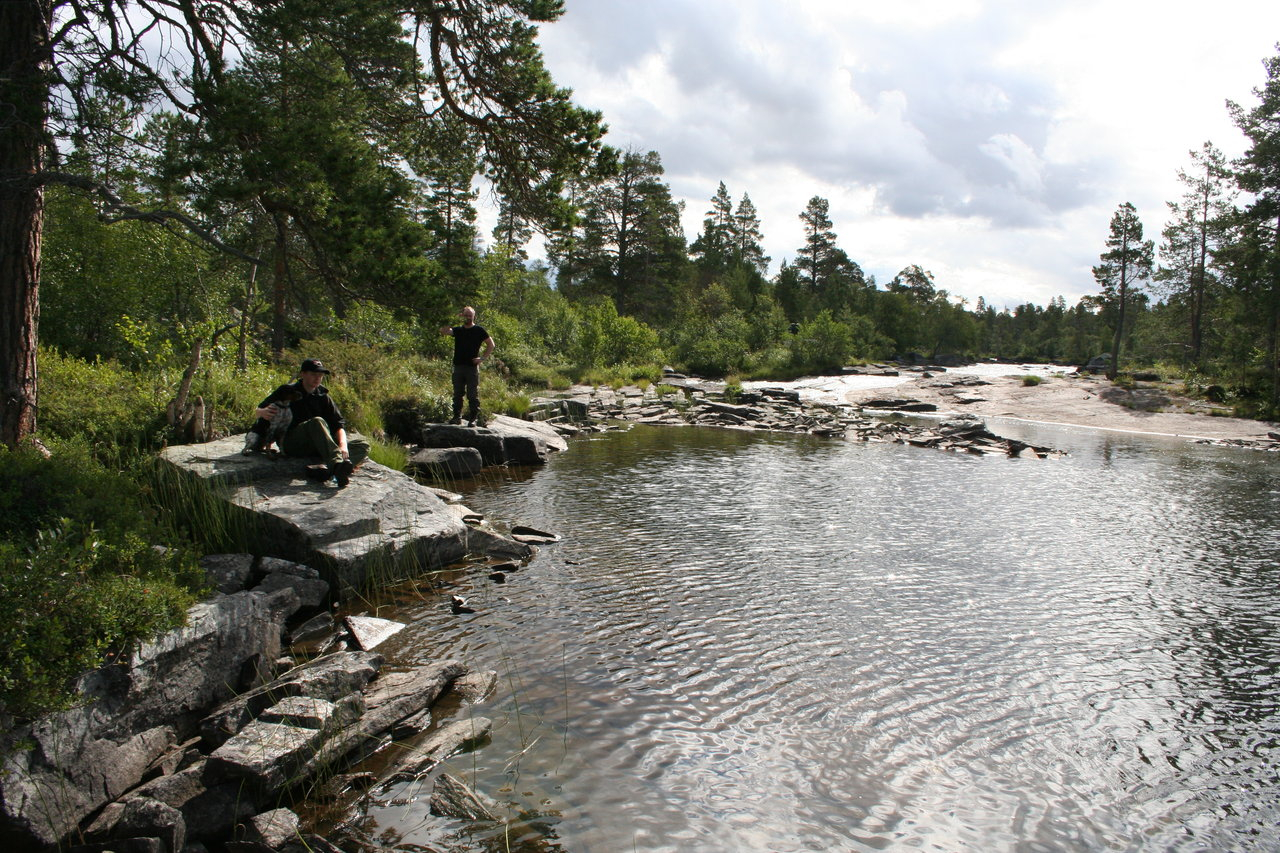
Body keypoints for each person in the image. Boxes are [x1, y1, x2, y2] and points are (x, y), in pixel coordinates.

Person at [253, 358, 369, 487]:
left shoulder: (323, 395)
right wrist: (262, 412)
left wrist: (343, 446)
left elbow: (338, 423)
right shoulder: (288, 391)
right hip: (291, 443)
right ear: (303, 374)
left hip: (318, 444)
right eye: (313, 374)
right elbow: (259, 409)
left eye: (320, 375)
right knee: (317, 422)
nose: (317, 378)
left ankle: (325, 470)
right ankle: (336, 466)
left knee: (362, 445)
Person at [439, 305, 495, 425]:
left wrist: (482, 358)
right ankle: (456, 417)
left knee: (472, 394)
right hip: (458, 366)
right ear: (462, 315)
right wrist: (454, 320)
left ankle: (473, 419)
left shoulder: (479, 330)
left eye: (470, 315)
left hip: (472, 367)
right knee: (457, 393)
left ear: (474, 316)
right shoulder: (458, 330)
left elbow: (491, 344)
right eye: (466, 315)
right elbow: (443, 331)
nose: (468, 317)